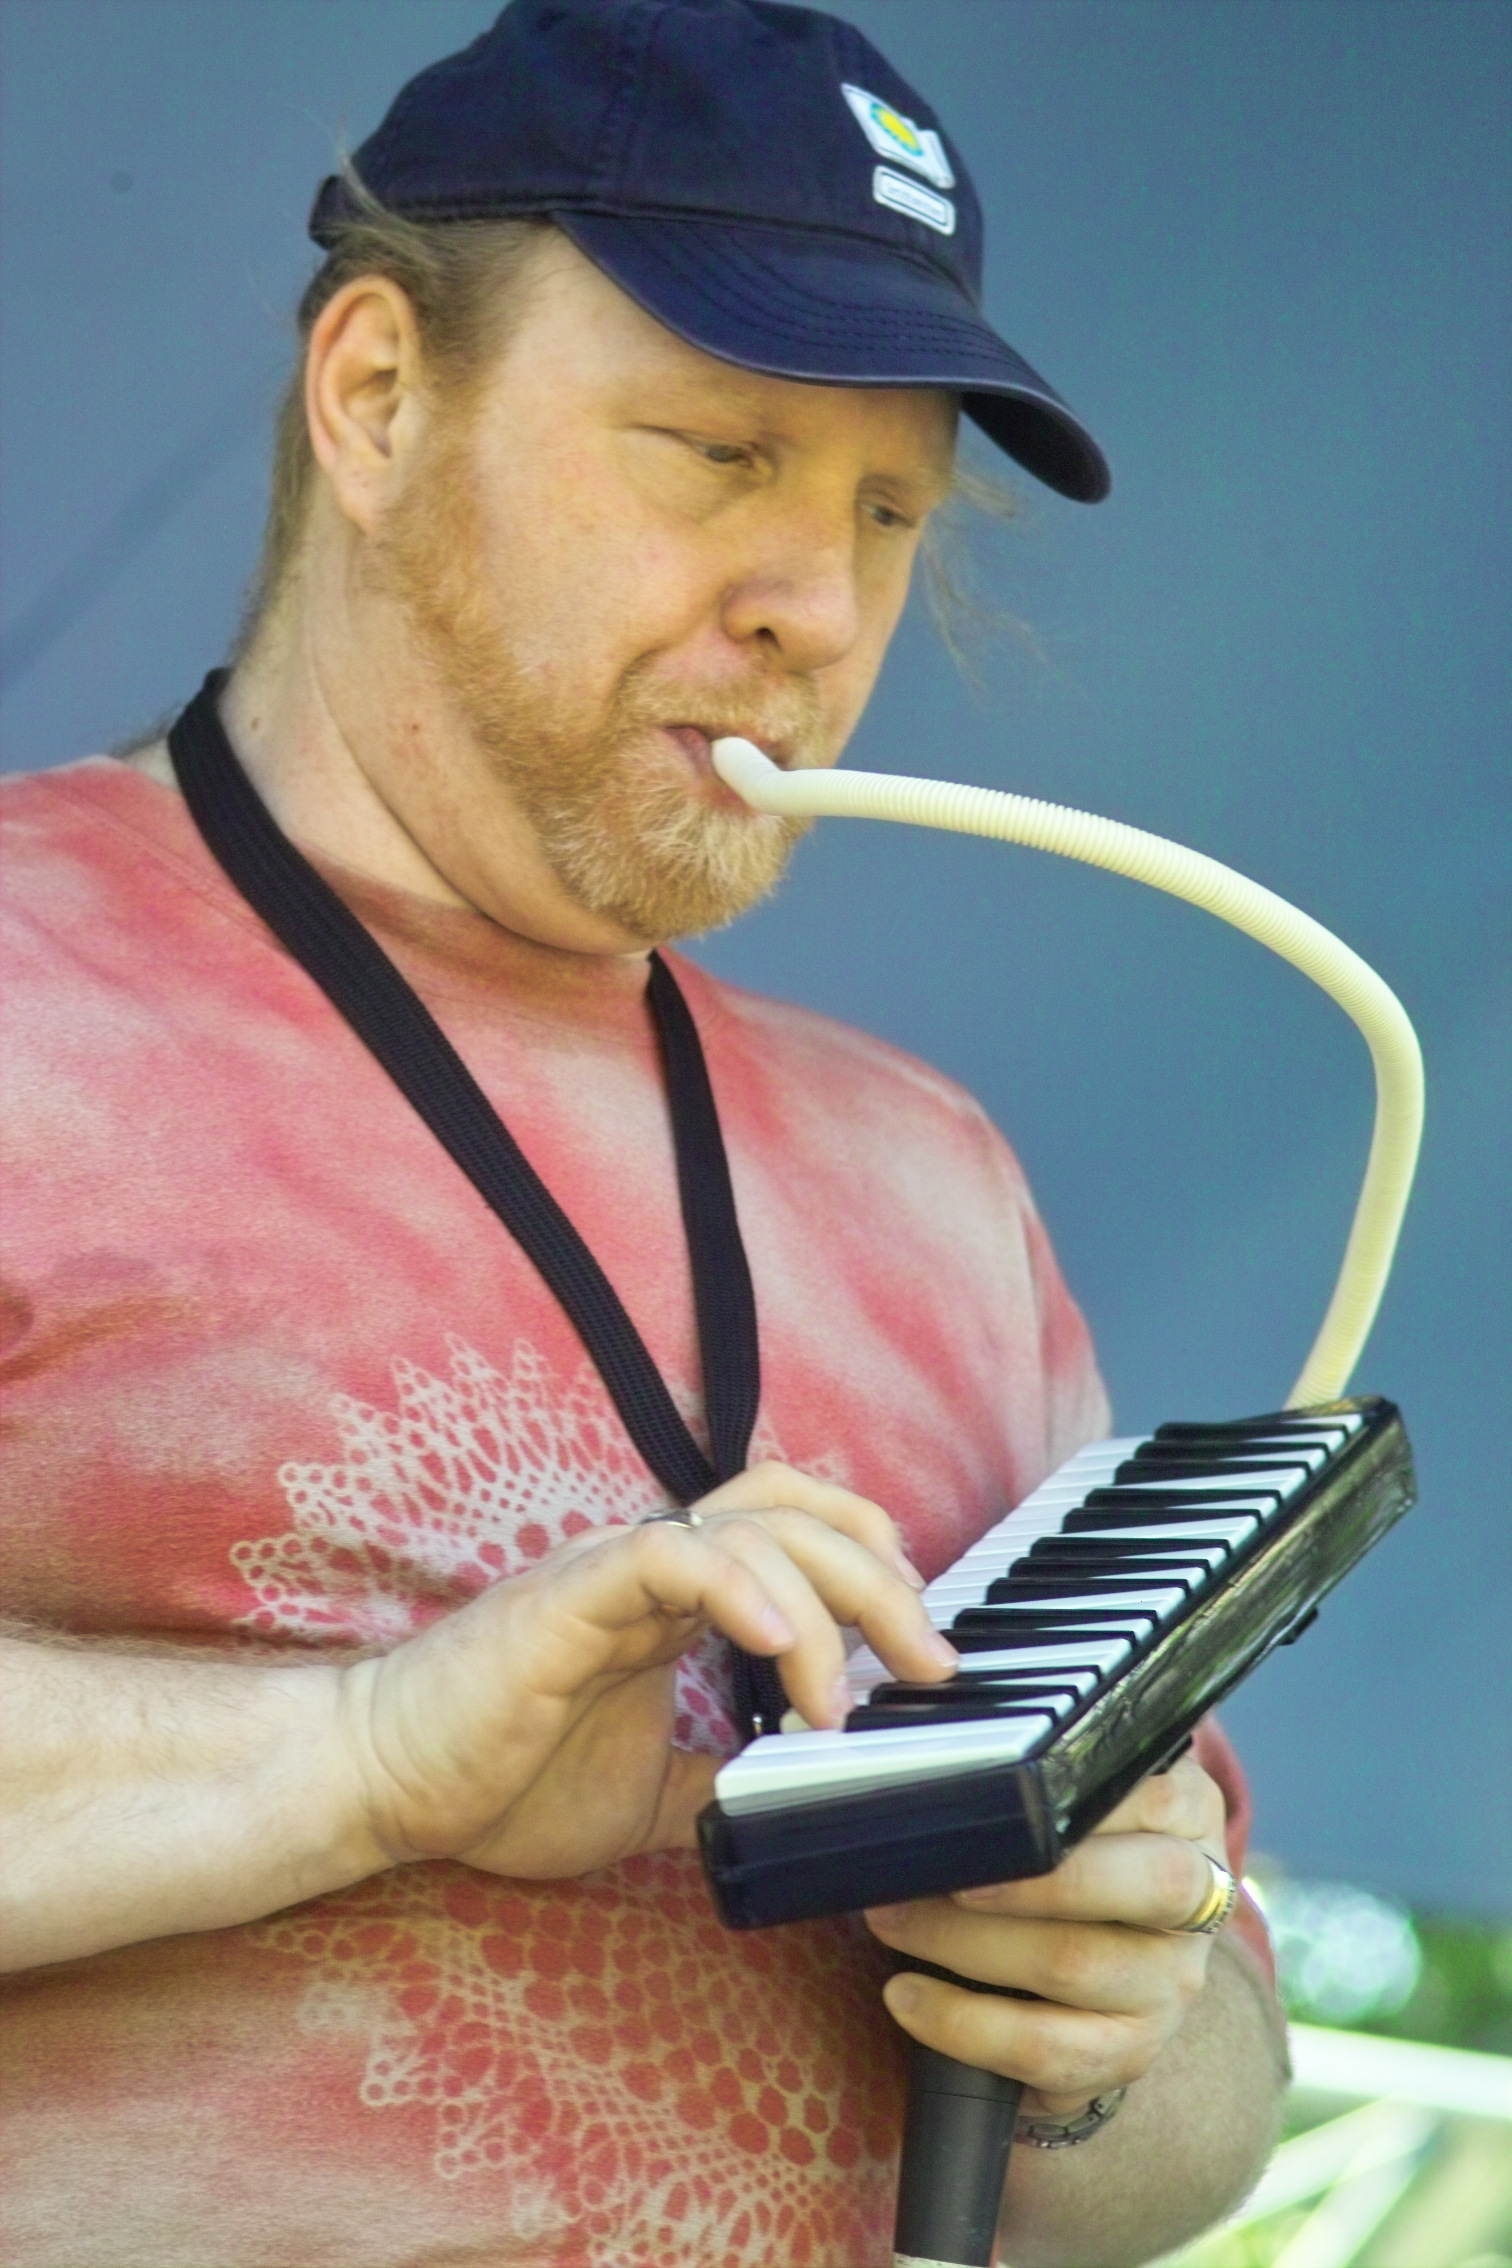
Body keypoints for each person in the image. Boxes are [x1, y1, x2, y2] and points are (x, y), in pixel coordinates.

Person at [0, 4, 1288, 2263]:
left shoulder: (939, 1182)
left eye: (886, 510)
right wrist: (370, 1756)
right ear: (378, 397)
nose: (824, 611)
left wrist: (1114, 2024)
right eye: (718, 451)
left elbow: (1212, 2119)